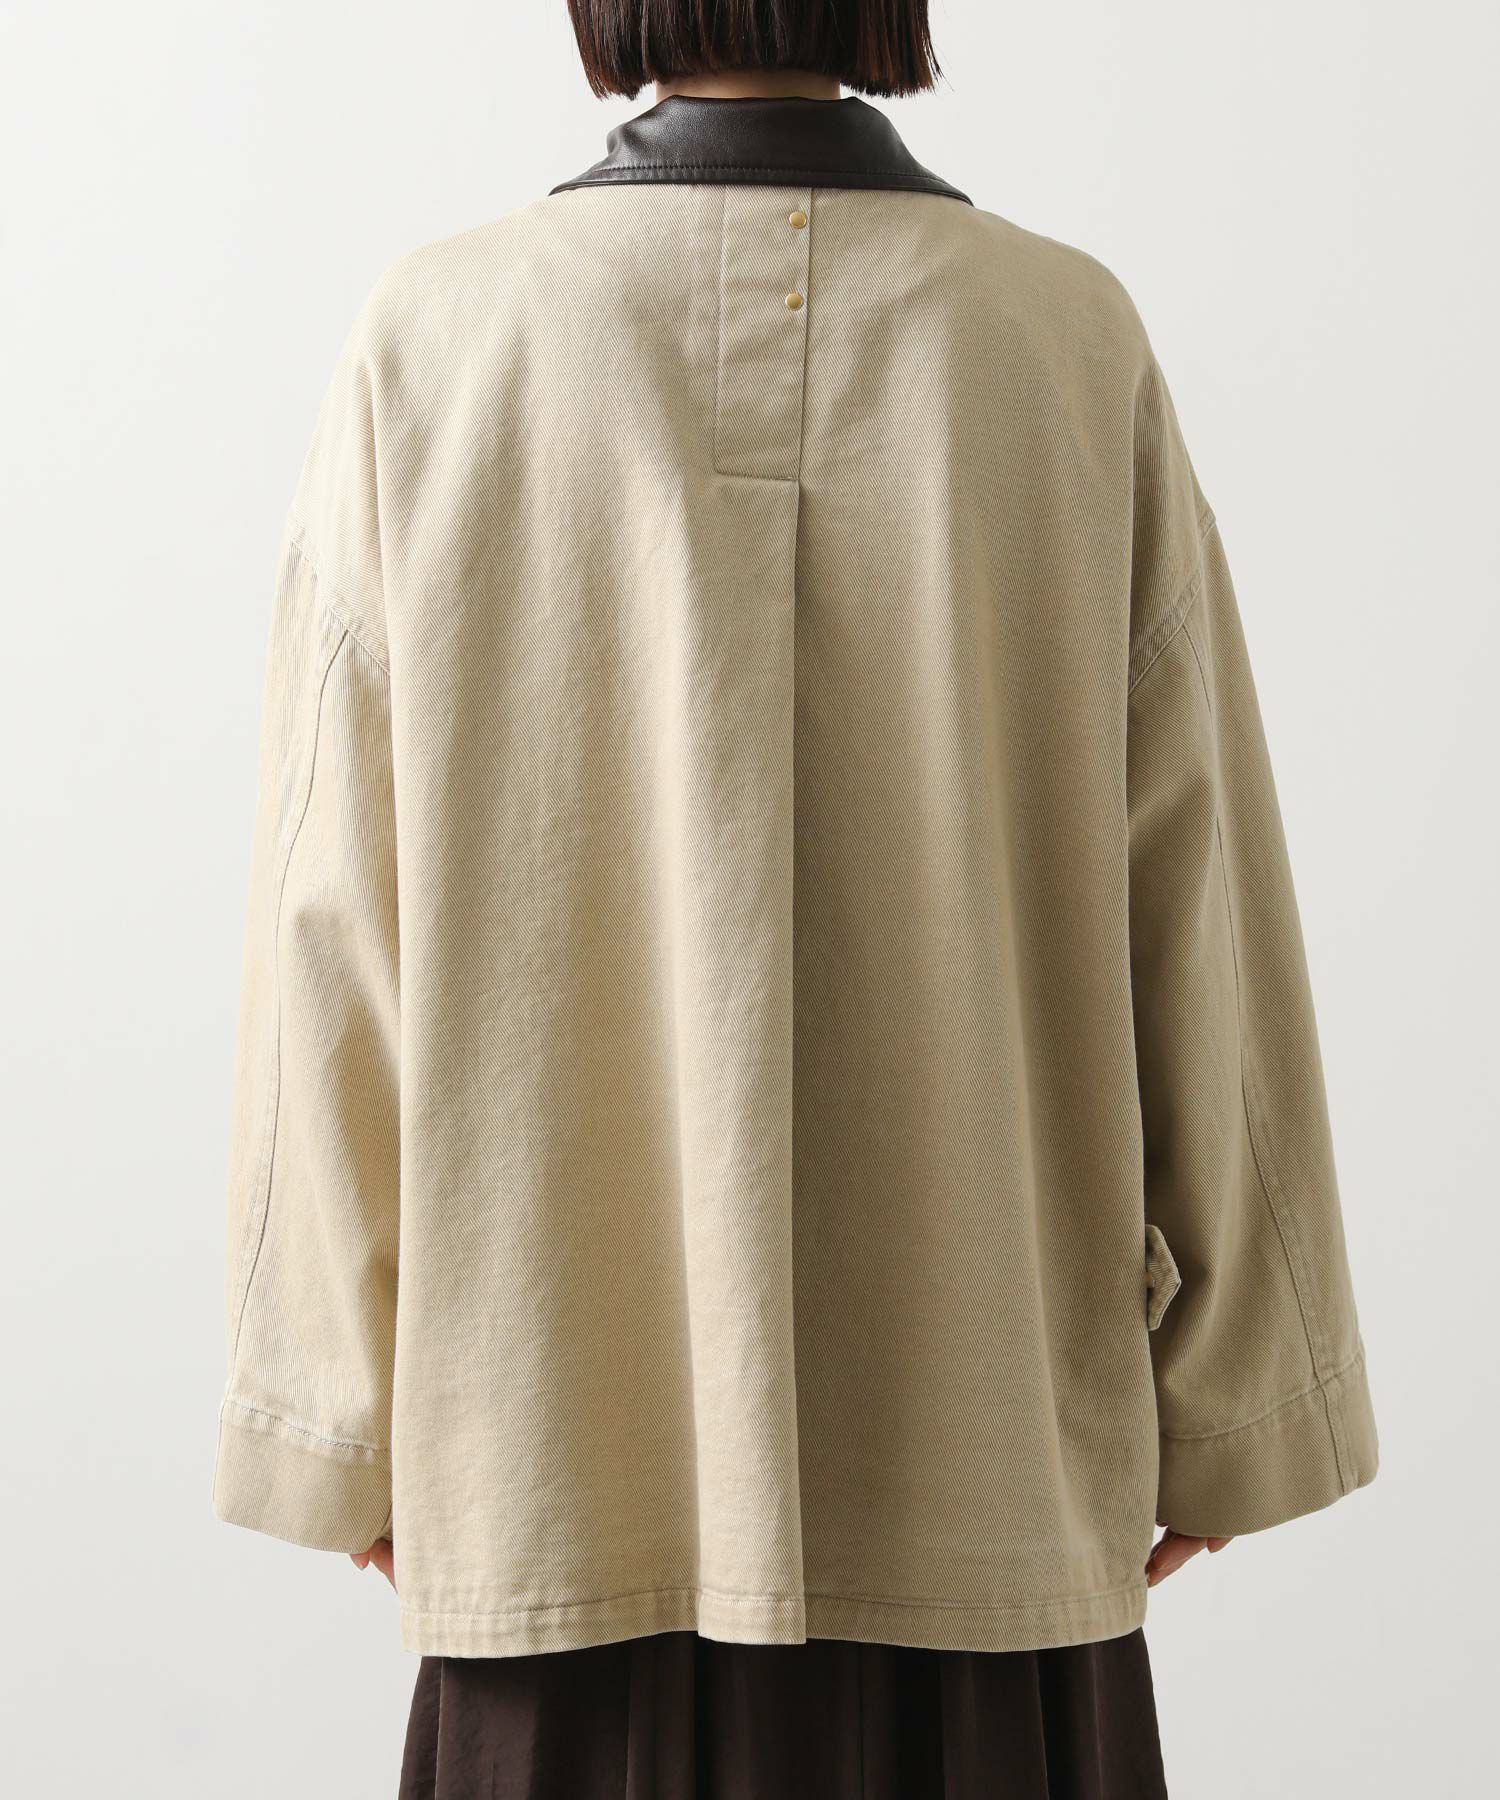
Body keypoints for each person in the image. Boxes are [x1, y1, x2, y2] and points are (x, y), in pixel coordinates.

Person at [212, 3, 1378, 1793]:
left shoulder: (437, 341)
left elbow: (329, 927)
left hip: (555, 1496)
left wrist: (337, 1420)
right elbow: (1197, 899)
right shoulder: (1062, 340)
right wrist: (1239, 1395)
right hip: (991, 1517)